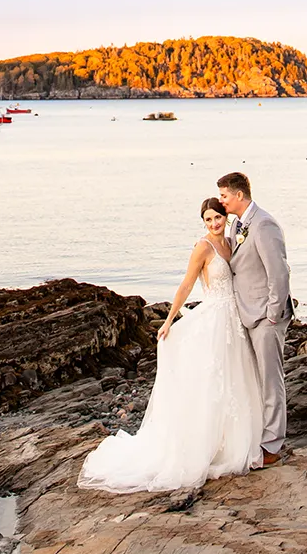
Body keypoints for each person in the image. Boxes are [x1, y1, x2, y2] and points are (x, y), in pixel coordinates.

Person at [78, 196, 264, 494]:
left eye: (217, 217)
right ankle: (207, 447)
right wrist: (168, 320)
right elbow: (187, 284)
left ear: (225, 217)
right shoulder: (203, 247)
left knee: (236, 380)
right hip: (215, 318)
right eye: (208, 220)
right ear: (203, 223)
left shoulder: (230, 242)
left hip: (234, 320)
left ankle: (234, 444)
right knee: (212, 383)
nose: (214, 223)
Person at [217, 171, 292, 465]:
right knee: (255, 379)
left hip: (264, 316)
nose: (221, 201)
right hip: (246, 313)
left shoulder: (264, 224)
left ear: (238, 195)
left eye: (224, 196)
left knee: (271, 380)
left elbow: (279, 271)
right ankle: (259, 436)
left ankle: (272, 446)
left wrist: (273, 314)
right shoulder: (238, 224)